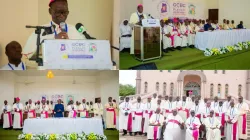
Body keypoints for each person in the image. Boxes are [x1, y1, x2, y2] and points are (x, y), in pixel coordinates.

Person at [23, 0, 85, 67]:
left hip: (71, 74)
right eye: (58, 12)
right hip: (47, 74)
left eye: (64, 12)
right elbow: (27, 58)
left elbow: (85, 55)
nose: (62, 15)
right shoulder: (40, 31)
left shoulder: (76, 30)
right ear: (50, 11)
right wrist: (52, 41)